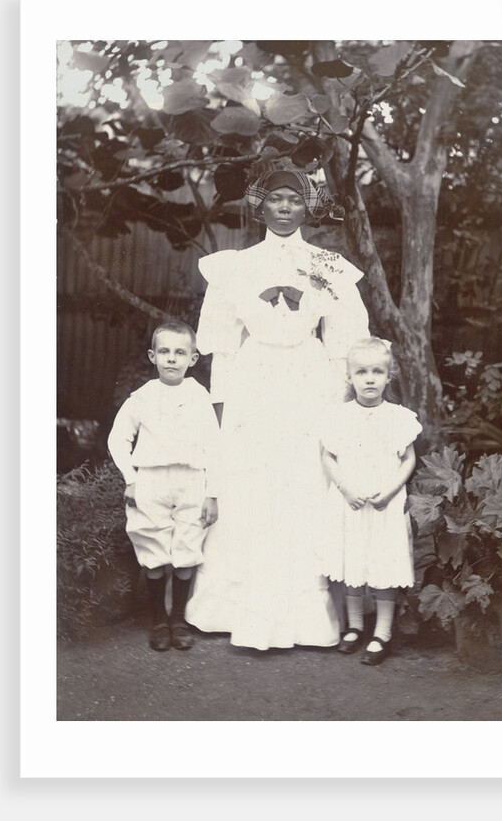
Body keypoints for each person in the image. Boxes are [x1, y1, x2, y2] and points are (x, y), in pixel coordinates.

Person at [185, 168, 370, 650]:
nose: (285, 208)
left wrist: (339, 401)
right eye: (275, 199)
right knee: (250, 484)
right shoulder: (236, 266)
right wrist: (222, 405)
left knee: (303, 481)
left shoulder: (327, 265)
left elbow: (343, 341)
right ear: (260, 206)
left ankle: (306, 618)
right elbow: (223, 345)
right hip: (255, 379)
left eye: (294, 200)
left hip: (309, 380)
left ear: (308, 208)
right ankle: (234, 609)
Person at [108, 319, 219, 652]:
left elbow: (214, 446)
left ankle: (179, 620)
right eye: (165, 351)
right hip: (151, 480)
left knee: (187, 547)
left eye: (180, 352)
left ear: (193, 358)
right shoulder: (142, 397)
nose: (172, 358)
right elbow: (118, 439)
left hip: (191, 480)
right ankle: (159, 619)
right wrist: (131, 479)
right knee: (152, 547)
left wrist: (212, 493)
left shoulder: (199, 396)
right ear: (152, 356)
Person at [320, 337, 422, 665]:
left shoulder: (398, 417)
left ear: (388, 377)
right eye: (361, 372)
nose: (369, 379)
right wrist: (345, 488)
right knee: (354, 560)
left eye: (377, 372)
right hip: (351, 502)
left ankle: (383, 632)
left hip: (384, 504)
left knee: (383, 563)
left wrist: (391, 491)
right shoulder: (339, 416)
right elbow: (328, 456)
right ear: (349, 377)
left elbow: (408, 458)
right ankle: (355, 627)